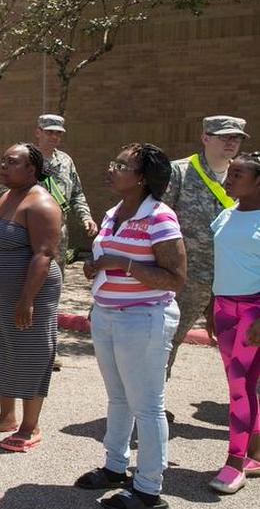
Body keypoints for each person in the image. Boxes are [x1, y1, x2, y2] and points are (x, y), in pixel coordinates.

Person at [74, 143, 186, 509]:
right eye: (113, 161)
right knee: (118, 397)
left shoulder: (160, 217)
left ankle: (149, 488)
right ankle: (114, 466)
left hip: (144, 318)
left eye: (120, 165)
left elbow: (176, 278)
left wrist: (123, 264)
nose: (111, 169)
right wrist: (96, 266)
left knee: (148, 406)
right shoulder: (112, 213)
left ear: (141, 178)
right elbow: (106, 257)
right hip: (107, 315)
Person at [0, 143, 61, 453]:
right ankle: (6, 417)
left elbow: (44, 255)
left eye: (12, 162)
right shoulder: (5, 197)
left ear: (31, 169)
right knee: (3, 349)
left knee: (31, 354)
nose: (4, 166)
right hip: (1, 296)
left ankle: (30, 427)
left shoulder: (42, 204)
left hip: (30, 294)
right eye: (3, 160)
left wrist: (26, 300)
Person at [163, 115, 248, 382]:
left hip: (233, 279)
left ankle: (245, 411)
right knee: (168, 340)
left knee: (243, 344)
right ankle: (153, 406)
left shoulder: (246, 175)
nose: (231, 142)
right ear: (205, 138)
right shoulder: (179, 172)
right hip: (186, 278)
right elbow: (158, 221)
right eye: (225, 136)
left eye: (236, 138)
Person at [205, 150, 260, 494]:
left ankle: (234, 463)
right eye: (230, 172)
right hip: (225, 308)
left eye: (238, 174)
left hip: (255, 309)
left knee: (239, 388)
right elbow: (222, 263)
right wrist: (212, 304)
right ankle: (255, 453)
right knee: (245, 383)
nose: (229, 178)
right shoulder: (225, 216)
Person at [33, 114, 98, 268]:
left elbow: (77, 193)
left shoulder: (65, 161)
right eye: (49, 132)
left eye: (58, 133)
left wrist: (86, 217)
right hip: (30, 231)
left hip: (59, 234)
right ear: (38, 132)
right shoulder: (26, 158)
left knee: (56, 280)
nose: (54, 137)